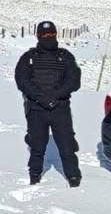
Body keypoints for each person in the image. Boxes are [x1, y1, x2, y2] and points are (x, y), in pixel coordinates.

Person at [15, 20, 82, 187]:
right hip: (37, 109)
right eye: (45, 35)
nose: (48, 37)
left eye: (51, 34)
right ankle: (34, 176)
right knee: (37, 146)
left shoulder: (65, 56)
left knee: (67, 146)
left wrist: (56, 95)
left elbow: (74, 80)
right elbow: (22, 81)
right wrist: (41, 97)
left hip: (60, 109)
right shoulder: (28, 58)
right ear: (38, 36)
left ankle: (74, 179)